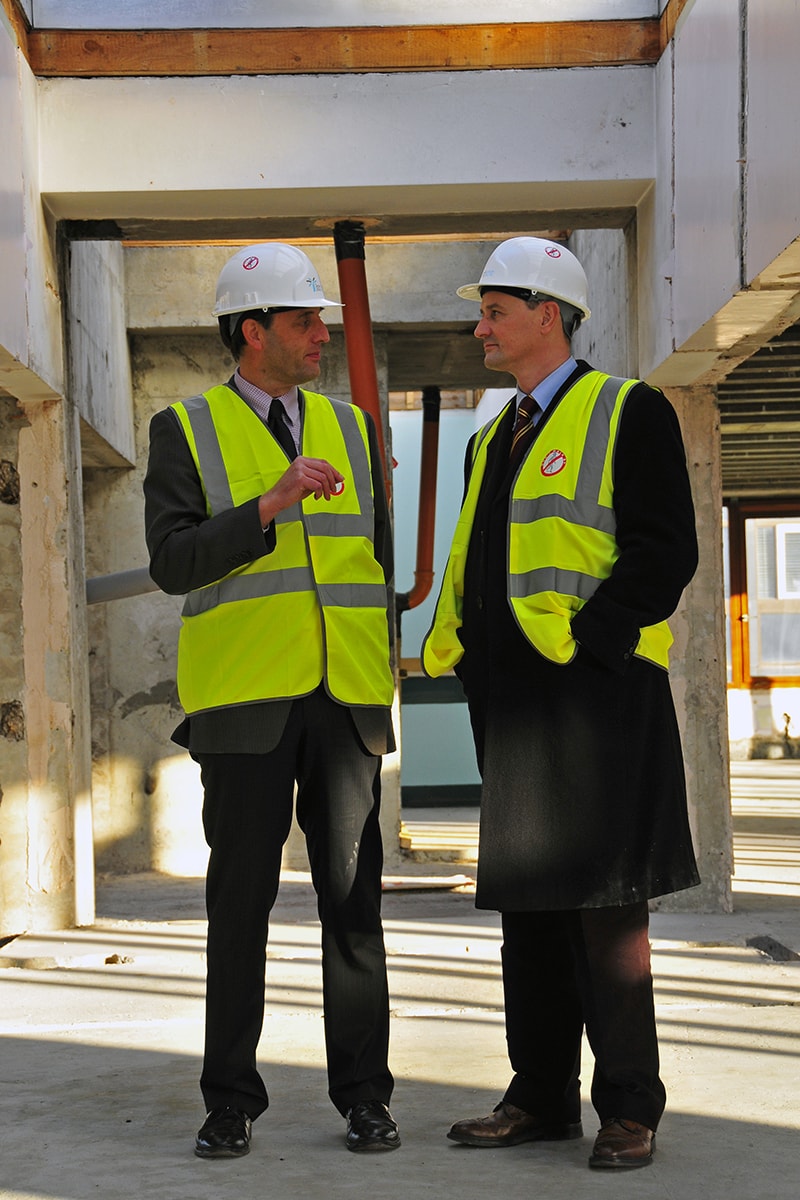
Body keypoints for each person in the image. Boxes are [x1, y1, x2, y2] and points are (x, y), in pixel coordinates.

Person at [423, 237, 699, 1170]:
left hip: (598, 701)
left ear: (550, 314)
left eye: (495, 310)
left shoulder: (631, 410)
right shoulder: (493, 435)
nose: (481, 327)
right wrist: (473, 665)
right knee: (529, 906)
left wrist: (591, 643)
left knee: (607, 909)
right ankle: (539, 1098)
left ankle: (628, 1106)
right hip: (510, 703)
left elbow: (665, 554)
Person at [144, 242, 400, 1158]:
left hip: (346, 702)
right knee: (239, 906)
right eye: (304, 321)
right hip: (245, 704)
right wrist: (267, 506)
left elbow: (370, 562)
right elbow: (172, 563)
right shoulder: (186, 427)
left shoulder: (352, 427)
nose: (320, 335)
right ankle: (229, 1102)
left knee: (352, 905)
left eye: (322, 319)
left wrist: (380, 692)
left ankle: (366, 1097)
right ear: (252, 332)